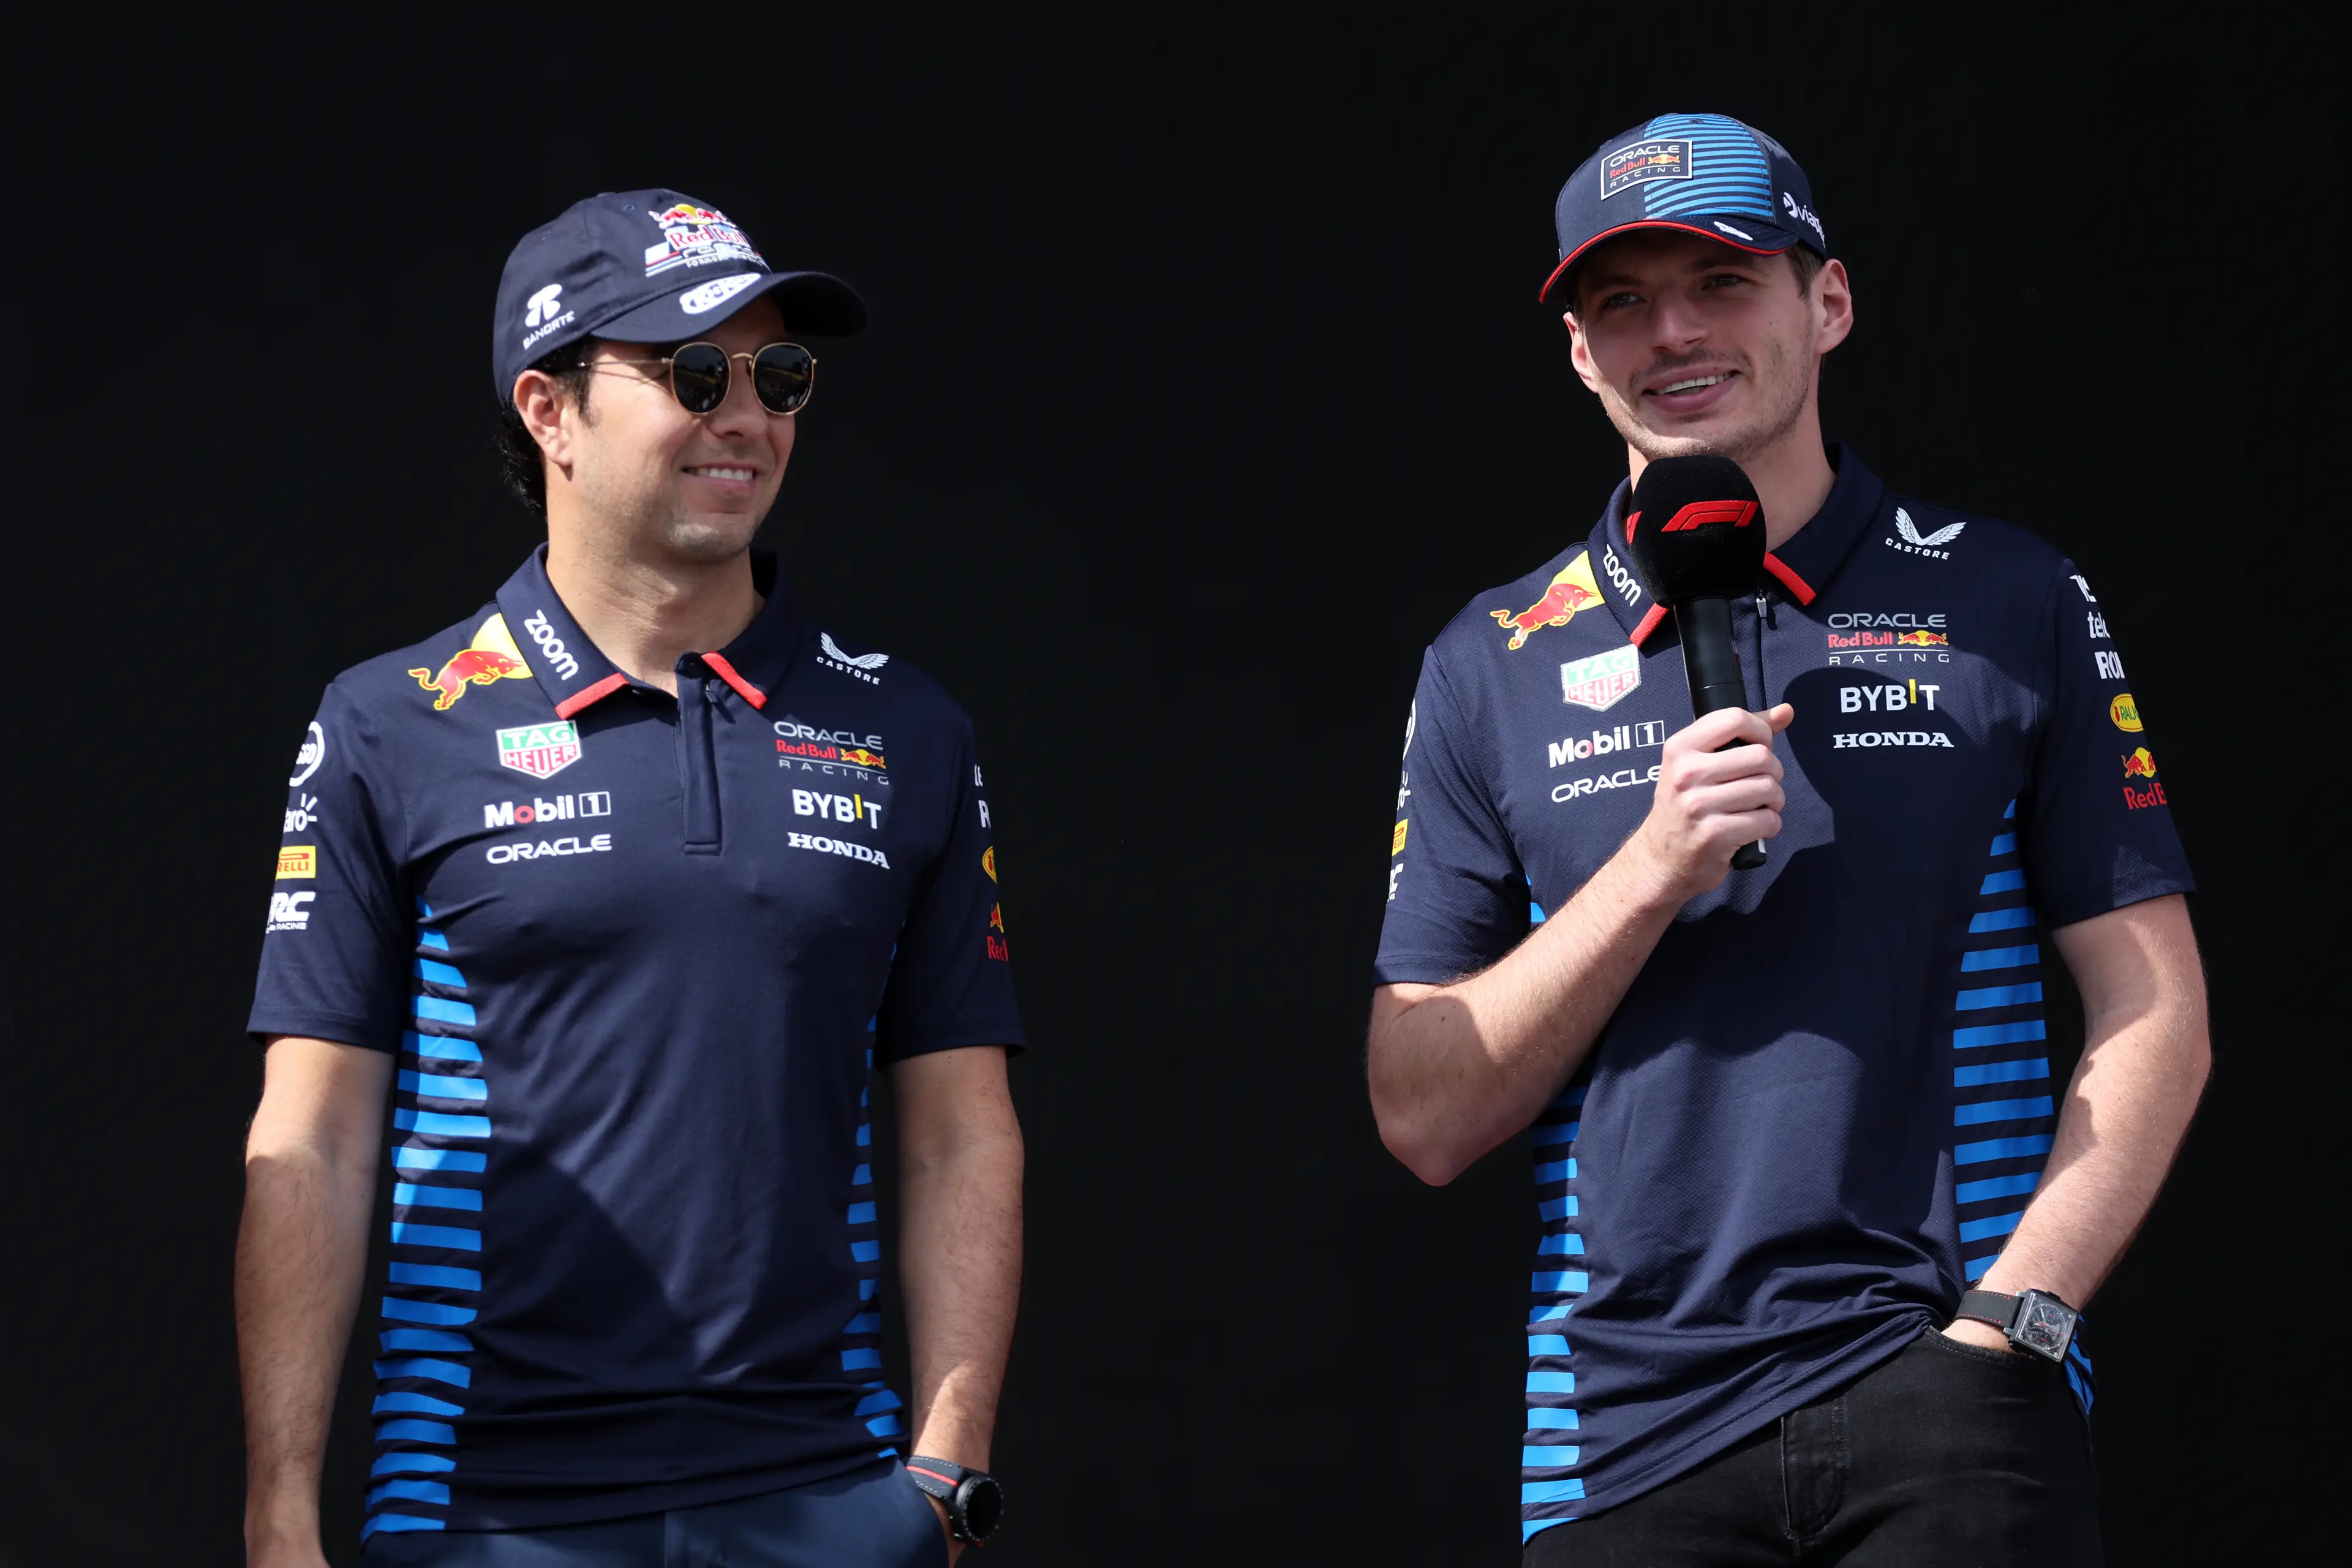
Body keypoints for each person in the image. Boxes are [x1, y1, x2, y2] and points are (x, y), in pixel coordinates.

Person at [1368, 115, 2207, 1565]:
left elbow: (2157, 1007)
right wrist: (1650, 869)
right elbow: (1422, 1109)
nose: (1672, 332)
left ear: (1828, 302)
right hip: (1618, 1439)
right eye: (1620, 300)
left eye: (1722, 280)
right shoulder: (1489, 655)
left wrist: (2019, 1316)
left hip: (1951, 1397)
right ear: (1579, 352)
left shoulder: (2010, 597)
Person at [238, 190, 1023, 1566]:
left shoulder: (908, 726)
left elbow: (962, 1128)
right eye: (692, 372)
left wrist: (946, 1476)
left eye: (781, 376)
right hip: (486, 1515)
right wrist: (279, 1514)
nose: (748, 415)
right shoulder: (390, 719)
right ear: (548, 410)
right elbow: (312, 1140)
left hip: (828, 1504)